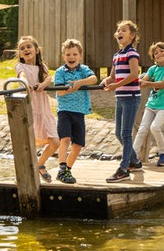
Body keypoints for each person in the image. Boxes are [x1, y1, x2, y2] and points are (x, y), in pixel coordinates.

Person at [101, 20, 143, 182]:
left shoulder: (132, 53)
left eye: (123, 30)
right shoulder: (117, 55)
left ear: (132, 36)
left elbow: (134, 75)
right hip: (120, 97)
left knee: (125, 133)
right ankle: (135, 161)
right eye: (118, 30)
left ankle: (124, 169)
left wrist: (116, 85)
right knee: (118, 133)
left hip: (131, 98)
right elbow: (112, 76)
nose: (119, 32)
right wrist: (106, 82)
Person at [53, 38, 98, 184]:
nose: (71, 57)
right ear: (63, 56)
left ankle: (67, 171)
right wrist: (67, 89)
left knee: (78, 145)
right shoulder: (60, 72)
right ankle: (62, 167)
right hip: (65, 110)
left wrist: (80, 83)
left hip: (79, 111)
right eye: (68, 54)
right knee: (65, 139)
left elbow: (94, 79)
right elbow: (59, 92)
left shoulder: (83, 70)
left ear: (80, 55)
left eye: (74, 54)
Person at [15, 35, 59, 183]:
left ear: (36, 50)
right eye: (22, 48)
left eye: (28, 46)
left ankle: (39, 164)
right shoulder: (20, 67)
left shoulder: (42, 66)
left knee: (55, 142)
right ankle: (24, 173)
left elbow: (48, 78)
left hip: (43, 107)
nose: (26, 49)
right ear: (20, 54)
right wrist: (27, 84)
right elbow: (22, 77)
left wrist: (43, 84)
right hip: (30, 105)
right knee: (29, 141)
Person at [133, 42, 164, 167]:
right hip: (151, 104)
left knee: (155, 127)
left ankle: (163, 154)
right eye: (156, 53)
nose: (159, 54)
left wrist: (147, 84)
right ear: (153, 58)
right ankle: (132, 155)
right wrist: (132, 80)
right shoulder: (153, 69)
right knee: (142, 129)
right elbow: (143, 80)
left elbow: (163, 84)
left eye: (162, 51)